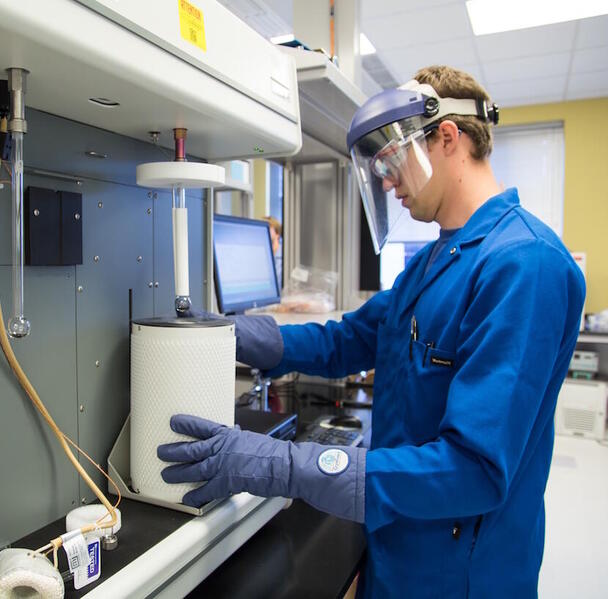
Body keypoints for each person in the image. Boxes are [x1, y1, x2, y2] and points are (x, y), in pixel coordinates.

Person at [158, 66, 586, 597]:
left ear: (447, 138)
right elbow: (347, 341)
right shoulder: (433, 263)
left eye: (391, 161)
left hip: (460, 576)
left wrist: (286, 465)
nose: (386, 182)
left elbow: (471, 470)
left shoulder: (524, 266)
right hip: (395, 548)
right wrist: (237, 334)